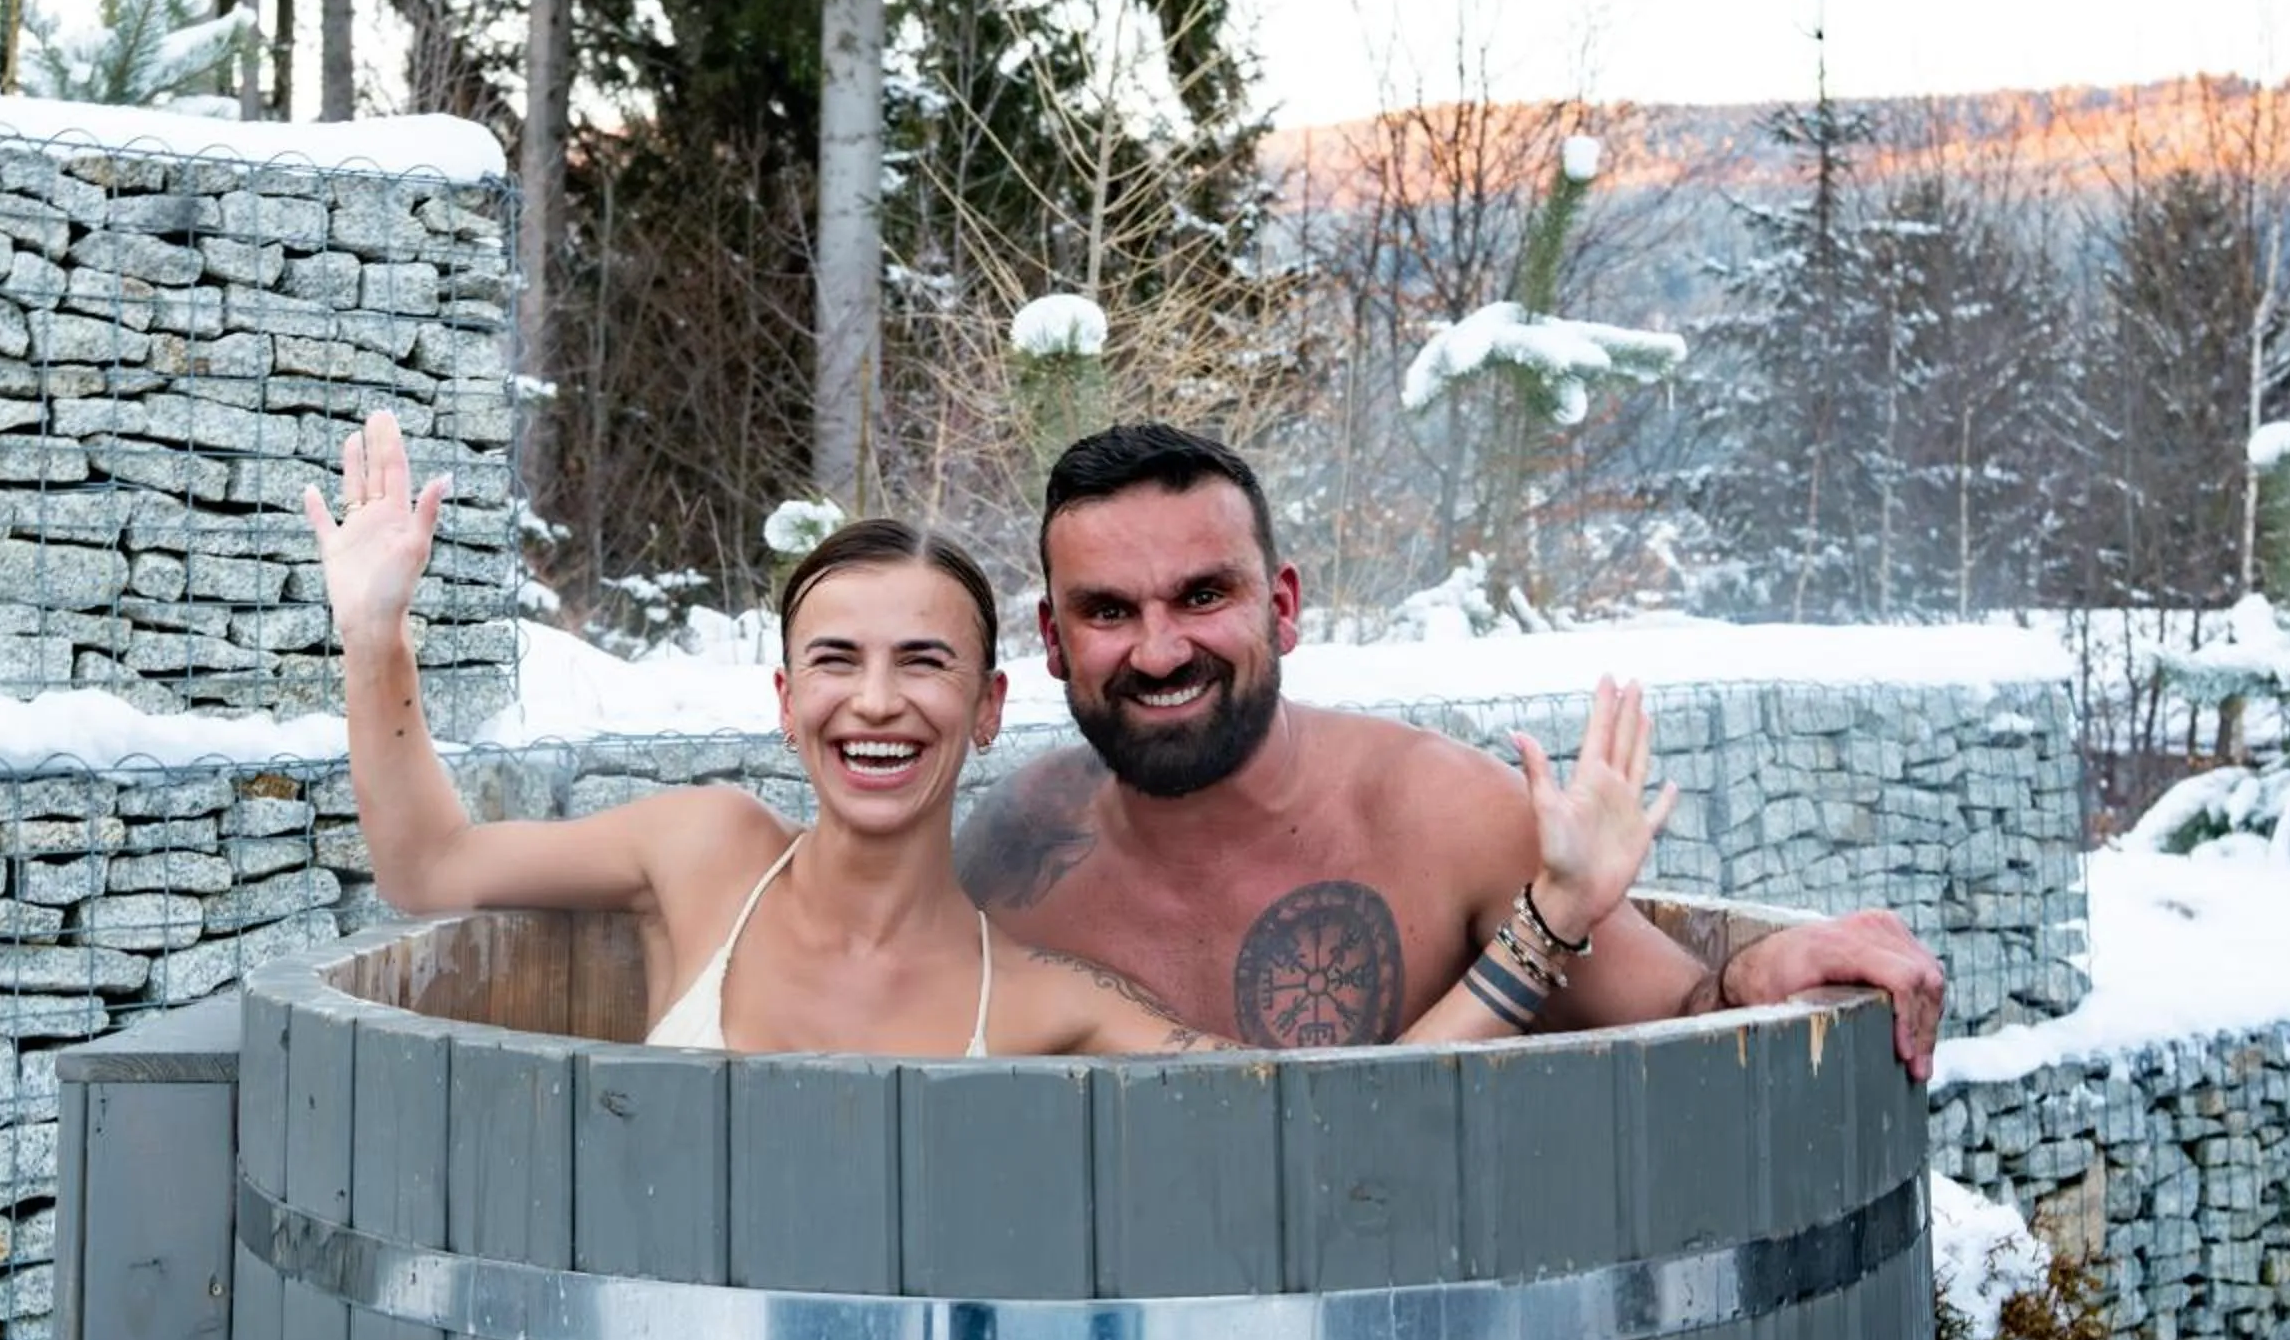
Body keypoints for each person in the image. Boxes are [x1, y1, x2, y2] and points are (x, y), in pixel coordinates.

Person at [307, 410, 1679, 1056]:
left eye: (923, 662)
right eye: (835, 661)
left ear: (990, 702)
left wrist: (1549, 925)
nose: (877, 700)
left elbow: (1313, 1133)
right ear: (784, 699)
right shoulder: (704, 854)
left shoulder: (1039, 992)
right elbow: (432, 866)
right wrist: (375, 638)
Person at [954, 422, 1950, 1077]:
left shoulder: (1439, 813)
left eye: (1203, 595)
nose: (1161, 649)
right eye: (1109, 611)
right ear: (1053, 639)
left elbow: (1683, 1023)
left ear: (1284, 607)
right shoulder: (1010, 853)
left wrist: (1765, 974)